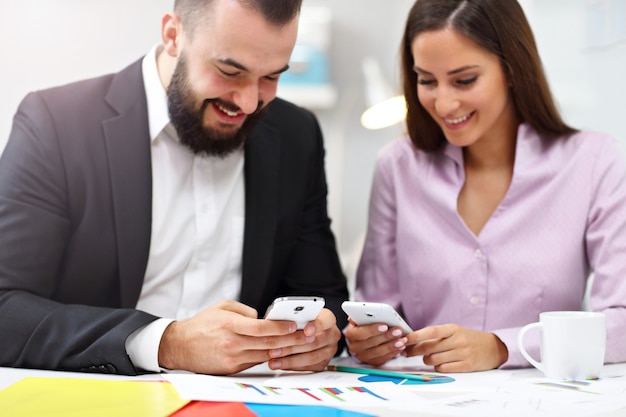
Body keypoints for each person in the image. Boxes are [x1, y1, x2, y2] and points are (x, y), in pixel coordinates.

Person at [0, 0, 349, 376]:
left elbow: (325, 297)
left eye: (272, 77)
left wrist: (322, 335)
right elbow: (6, 308)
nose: (249, 103)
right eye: (230, 71)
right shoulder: (56, 124)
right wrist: (167, 342)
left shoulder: (297, 135)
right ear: (172, 35)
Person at [344, 0, 626, 373]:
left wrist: (501, 346)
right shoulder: (397, 167)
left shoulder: (592, 161)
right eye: (426, 80)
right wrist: (370, 341)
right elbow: (375, 311)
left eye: (464, 80)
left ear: (512, 69)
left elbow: (621, 322)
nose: (444, 103)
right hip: (420, 401)